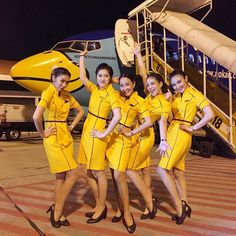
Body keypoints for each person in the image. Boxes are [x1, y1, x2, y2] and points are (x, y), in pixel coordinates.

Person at [157, 69, 215, 224]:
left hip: (180, 133)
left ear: (186, 79)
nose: (177, 86)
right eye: (174, 84)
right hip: (173, 131)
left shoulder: (195, 95)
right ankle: (185, 203)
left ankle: (179, 208)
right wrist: (167, 101)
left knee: (161, 169)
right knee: (178, 172)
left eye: (179, 82)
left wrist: (194, 128)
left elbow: (210, 114)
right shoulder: (175, 96)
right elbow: (168, 117)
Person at [33, 67, 84, 228]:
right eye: (61, 81)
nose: (64, 84)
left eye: (66, 82)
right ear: (53, 78)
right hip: (53, 137)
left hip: (65, 135)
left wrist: (72, 125)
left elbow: (81, 111)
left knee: (61, 177)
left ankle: (55, 204)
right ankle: (57, 211)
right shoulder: (48, 92)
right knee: (75, 173)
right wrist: (42, 133)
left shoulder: (67, 95)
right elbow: (36, 116)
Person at [124, 44, 172, 219]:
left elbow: (162, 122)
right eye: (149, 84)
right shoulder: (149, 95)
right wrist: (138, 55)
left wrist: (164, 140)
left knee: (129, 168)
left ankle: (150, 202)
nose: (150, 86)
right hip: (138, 133)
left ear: (161, 84)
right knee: (144, 170)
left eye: (154, 84)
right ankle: (147, 204)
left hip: (145, 135)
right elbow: (144, 74)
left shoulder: (162, 102)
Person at [107, 73, 155, 234]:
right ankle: (120, 209)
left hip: (124, 140)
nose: (125, 88)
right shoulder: (117, 95)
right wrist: (118, 80)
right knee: (113, 174)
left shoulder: (140, 101)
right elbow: (108, 81)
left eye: (128, 84)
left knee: (119, 175)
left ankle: (127, 214)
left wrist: (132, 131)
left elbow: (148, 122)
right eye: (122, 85)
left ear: (134, 84)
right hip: (111, 139)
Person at [77, 51, 121, 224]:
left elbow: (117, 116)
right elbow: (82, 77)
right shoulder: (95, 89)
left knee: (98, 172)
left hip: (97, 132)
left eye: (106, 76)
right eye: (100, 75)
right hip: (87, 130)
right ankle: (98, 204)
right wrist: (82, 57)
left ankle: (101, 207)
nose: (103, 78)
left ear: (111, 78)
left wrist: (104, 133)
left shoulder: (112, 94)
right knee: (84, 171)